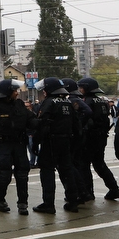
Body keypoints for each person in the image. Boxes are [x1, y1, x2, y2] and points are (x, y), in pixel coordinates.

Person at [32, 77, 87, 213]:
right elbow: (77, 125)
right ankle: (73, 201)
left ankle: (48, 204)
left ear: (49, 90)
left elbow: (42, 124)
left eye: (44, 89)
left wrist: (36, 142)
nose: (43, 92)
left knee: (47, 171)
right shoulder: (67, 103)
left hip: (50, 142)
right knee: (67, 170)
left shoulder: (49, 103)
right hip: (66, 142)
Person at [0, 79, 36, 214]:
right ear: (7, 92)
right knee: (5, 174)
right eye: (14, 91)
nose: (17, 93)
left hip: (19, 144)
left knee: (22, 174)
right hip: (4, 144)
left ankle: (23, 203)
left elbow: (30, 119)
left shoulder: (19, 104)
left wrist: (41, 123)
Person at [76, 77, 119, 200]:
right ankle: (114, 188)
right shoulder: (101, 101)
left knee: (84, 165)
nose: (80, 89)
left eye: (81, 87)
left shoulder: (86, 102)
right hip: (101, 137)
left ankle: (88, 192)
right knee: (99, 164)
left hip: (89, 138)